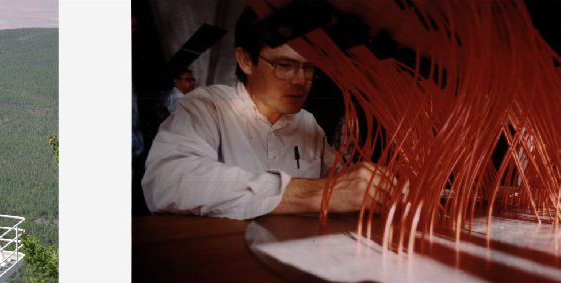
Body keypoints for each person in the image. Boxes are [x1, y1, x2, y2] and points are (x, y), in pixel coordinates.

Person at [141, 6, 402, 220]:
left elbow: (339, 178)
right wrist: (316, 193)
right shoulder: (208, 107)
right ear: (245, 61)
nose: (301, 80)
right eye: (285, 65)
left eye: (309, 68)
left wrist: (376, 187)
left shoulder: (307, 122)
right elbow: (165, 182)